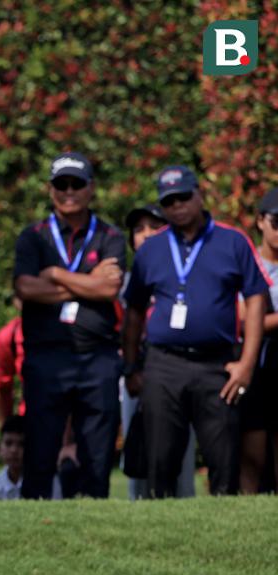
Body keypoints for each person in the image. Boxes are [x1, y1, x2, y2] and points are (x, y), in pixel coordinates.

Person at [123, 166, 268, 497]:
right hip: (163, 365)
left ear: (199, 195)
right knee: (160, 460)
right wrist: (131, 366)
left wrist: (247, 363)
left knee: (224, 460)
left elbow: (256, 298)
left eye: (183, 197)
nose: (177, 206)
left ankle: (221, 535)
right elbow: (133, 311)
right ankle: (161, 533)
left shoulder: (232, 241)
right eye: (169, 201)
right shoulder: (151, 249)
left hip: (216, 364)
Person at [14, 153, 126, 499]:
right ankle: (34, 524)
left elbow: (109, 289)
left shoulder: (109, 234)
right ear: (50, 189)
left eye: (76, 184)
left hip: (97, 357)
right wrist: (86, 281)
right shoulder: (34, 236)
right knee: (41, 453)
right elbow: (25, 288)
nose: (69, 191)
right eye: (61, 184)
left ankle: (94, 523)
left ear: (90, 188)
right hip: (47, 355)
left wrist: (57, 275)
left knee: (96, 455)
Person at [119, 204, 197, 499]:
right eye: (138, 230)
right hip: (137, 377)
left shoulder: (184, 276)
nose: (146, 235)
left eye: (154, 227)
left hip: (179, 372)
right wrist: (130, 369)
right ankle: (138, 518)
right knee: (137, 449)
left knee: (181, 453)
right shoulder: (123, 283)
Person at [239, 187, 278, 494]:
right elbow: (240, 320)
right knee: (252, 455)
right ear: (261, 221)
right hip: (254, 369)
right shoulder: (245, 261)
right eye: (276, 222)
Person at [0, 308, 25, 423]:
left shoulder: (73, 330)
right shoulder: (11, 335)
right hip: (32, 425)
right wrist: (8, 428)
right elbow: (2, 388)